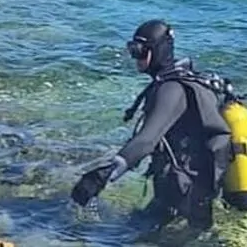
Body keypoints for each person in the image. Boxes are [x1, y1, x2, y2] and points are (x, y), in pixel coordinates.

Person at [71, 20, 233, 231]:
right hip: (188, 190)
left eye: (139, 51)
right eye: (132, 49)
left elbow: (147, 140)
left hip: (185, 195)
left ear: (157, 51)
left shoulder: (172, 89)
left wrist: (102, 176)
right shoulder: (176, 80)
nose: (135, 57)